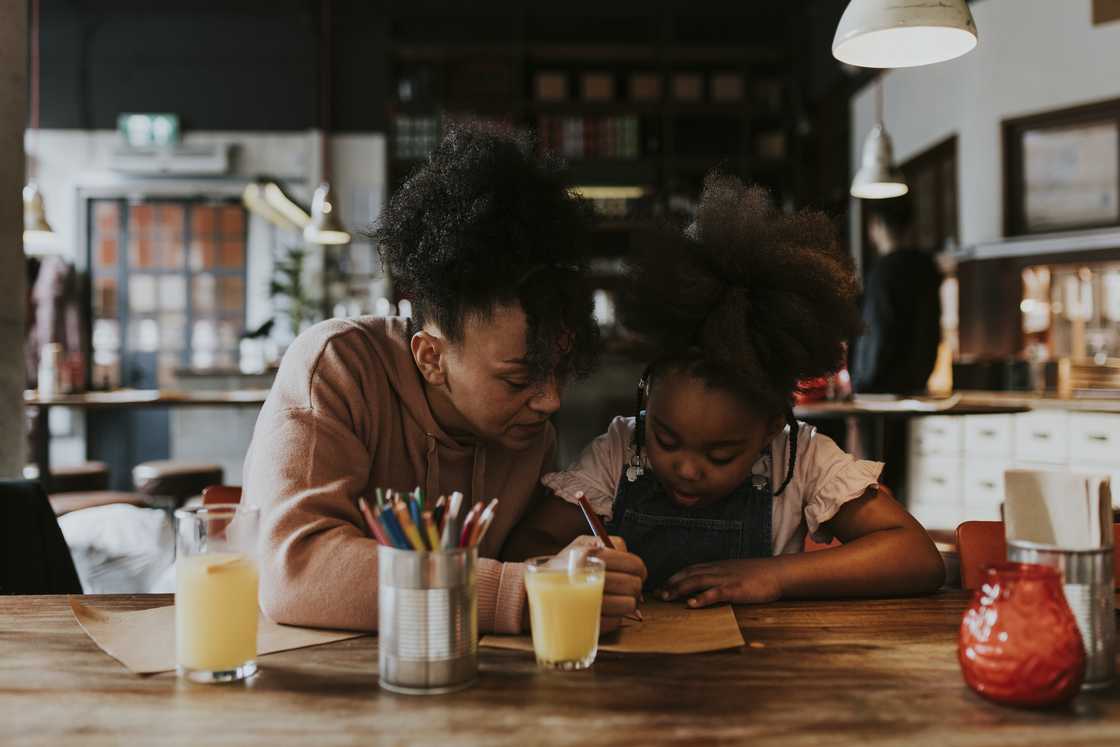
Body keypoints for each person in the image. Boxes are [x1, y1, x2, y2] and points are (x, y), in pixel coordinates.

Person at [242, 123, 646, 632]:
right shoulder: (338, 367)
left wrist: (572, 571)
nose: (550, 401)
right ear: (431, 357)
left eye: (559, 371)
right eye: (518, 379)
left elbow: (515, 566)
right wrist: (524, 594)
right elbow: (295, 570)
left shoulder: (525, 433)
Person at [503, 175, 944, 606]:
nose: (687, 469)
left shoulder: (801, 460)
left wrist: (776, 576)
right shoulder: (619, 452)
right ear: (647, 397)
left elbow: (917, 557)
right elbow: (528, 543)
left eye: (720, 455)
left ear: (770, 428)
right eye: (665, 440)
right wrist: (578, 566)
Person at [851, 195, 942, 494]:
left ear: (875, 226)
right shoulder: (926, 269)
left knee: (875, 480)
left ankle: (882, 524)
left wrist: (860, 384)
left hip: (879, 395)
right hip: (913, 390)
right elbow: (932, 332)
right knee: (901, 476)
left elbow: (876, 335)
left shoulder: (884, 272)